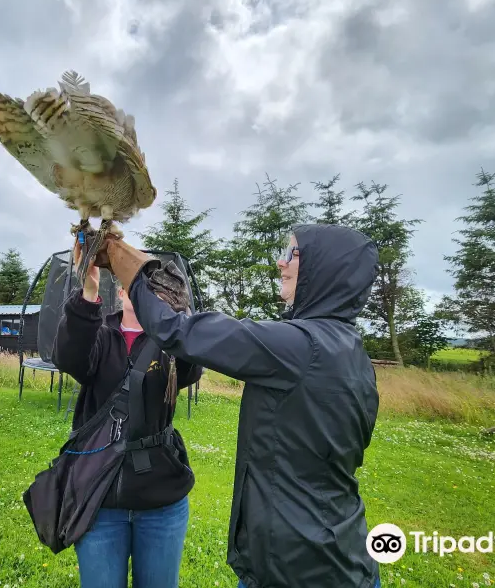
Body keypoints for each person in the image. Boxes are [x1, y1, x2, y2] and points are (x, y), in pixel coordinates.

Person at [100, 224, 382, 588]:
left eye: (292, 254)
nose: (281, 263)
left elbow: (181, 333)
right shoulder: (352, 351)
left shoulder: (301, 347)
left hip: (297, 567)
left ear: (325, 269)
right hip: (336, 553)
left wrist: (136, 274)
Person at [51, 241, 203, 588]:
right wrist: (88, 291)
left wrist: (179, 316)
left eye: (153, 287)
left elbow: (192, 371)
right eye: (135, 284)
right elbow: (69, 357)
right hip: (99, 497)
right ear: (121, 292)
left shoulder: (171, 342)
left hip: (161, 498)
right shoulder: (100, 335)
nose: (144, 292)